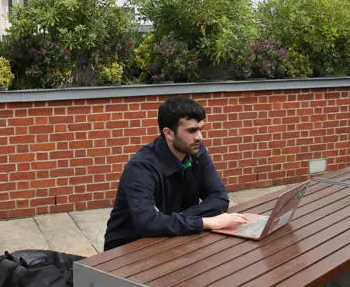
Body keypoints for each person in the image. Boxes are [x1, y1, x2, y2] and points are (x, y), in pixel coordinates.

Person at [104, 96, 248, 251]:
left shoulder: (197, 151)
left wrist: (167, 220)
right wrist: (205, 222)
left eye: (201, 129)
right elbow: (148, 223)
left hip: (174, 239)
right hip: (127, 250)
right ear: (169, 133)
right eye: (192, 130)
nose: (200, 137)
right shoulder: (141, 167)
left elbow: (219, 198)